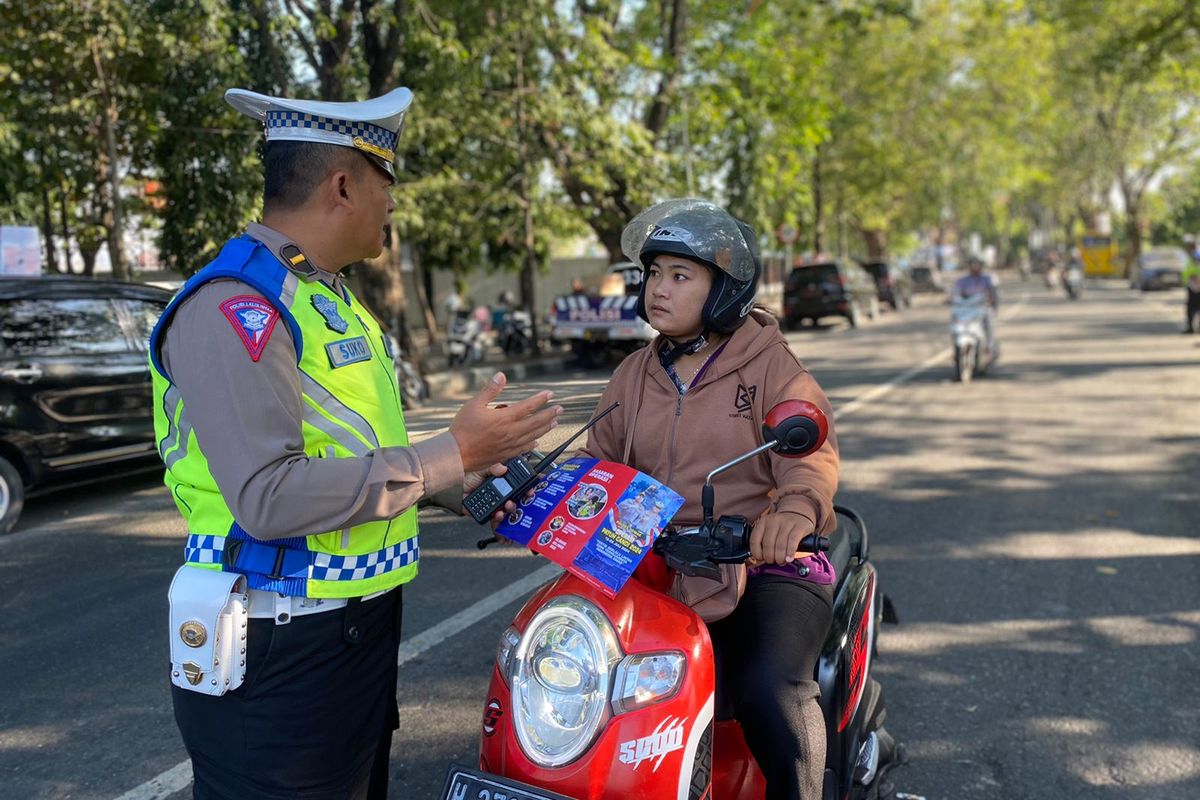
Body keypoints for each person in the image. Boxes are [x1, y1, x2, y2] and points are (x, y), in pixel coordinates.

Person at [149, 87, 562, 799]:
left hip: (352, 635)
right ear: (343, 184)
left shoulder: (327, 299)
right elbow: (266, 498)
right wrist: (449, 454)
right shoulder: (236, 304)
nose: (392, 203)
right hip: (277, 650)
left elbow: (359, 462)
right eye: (385, 183)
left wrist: (472, 484)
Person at [575, 198, 839, 800]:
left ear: (724, 290)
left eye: (679, 276)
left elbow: (809, 459)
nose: (657, 291)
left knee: (771, 685)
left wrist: (793, 512)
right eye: (652, 275)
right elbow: (598, 461)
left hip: (763, 562)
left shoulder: (772, 367)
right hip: (661, 563)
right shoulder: (633, 374)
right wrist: (546, 497)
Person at [953, 255, 999, 355]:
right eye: (973, 265)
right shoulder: (962, 281)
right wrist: (950, 299)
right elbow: (955, 293)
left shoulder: (987, 279)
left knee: (989, 323)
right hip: (967, 309)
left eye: (977, 265)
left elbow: (993, 294)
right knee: (955, 323)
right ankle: (956, 350)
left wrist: (993, 303)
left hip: (982, 308)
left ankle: (989, 348)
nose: (975, 267)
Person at [1182, 250, 1199, 334]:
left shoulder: (1191, 260)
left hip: (1193, 288)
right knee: (1191, 309)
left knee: (1192, 308)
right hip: (1192, 288)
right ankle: (1190, 327)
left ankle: (1191, 327)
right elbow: (1186, 274)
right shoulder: (1190, 261)